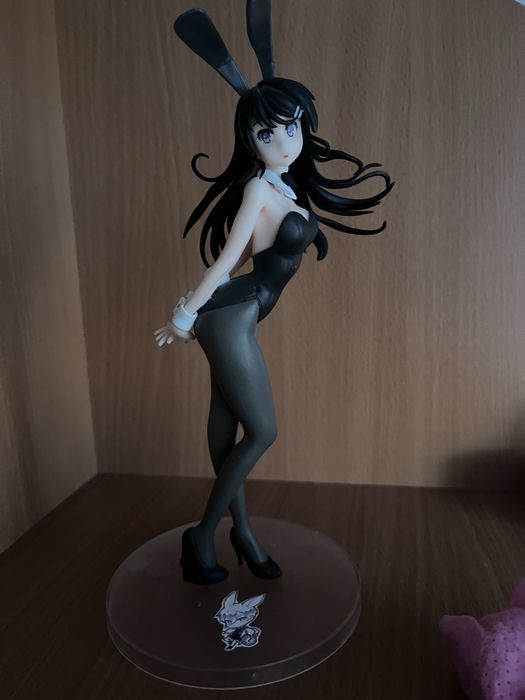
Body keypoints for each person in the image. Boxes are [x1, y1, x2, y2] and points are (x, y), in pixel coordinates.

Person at [154, 1, 395, 584]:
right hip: (231, 316)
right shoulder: (259, 193)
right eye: (268, 133)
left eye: (291, 127)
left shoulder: (282, 187)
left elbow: (255, 255)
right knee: (263, 431)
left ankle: (242, 533)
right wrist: (186, 312)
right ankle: (201, 536)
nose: (284, 141)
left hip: (240, 312)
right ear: (250, 140)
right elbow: (228, 257)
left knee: (228, 430)